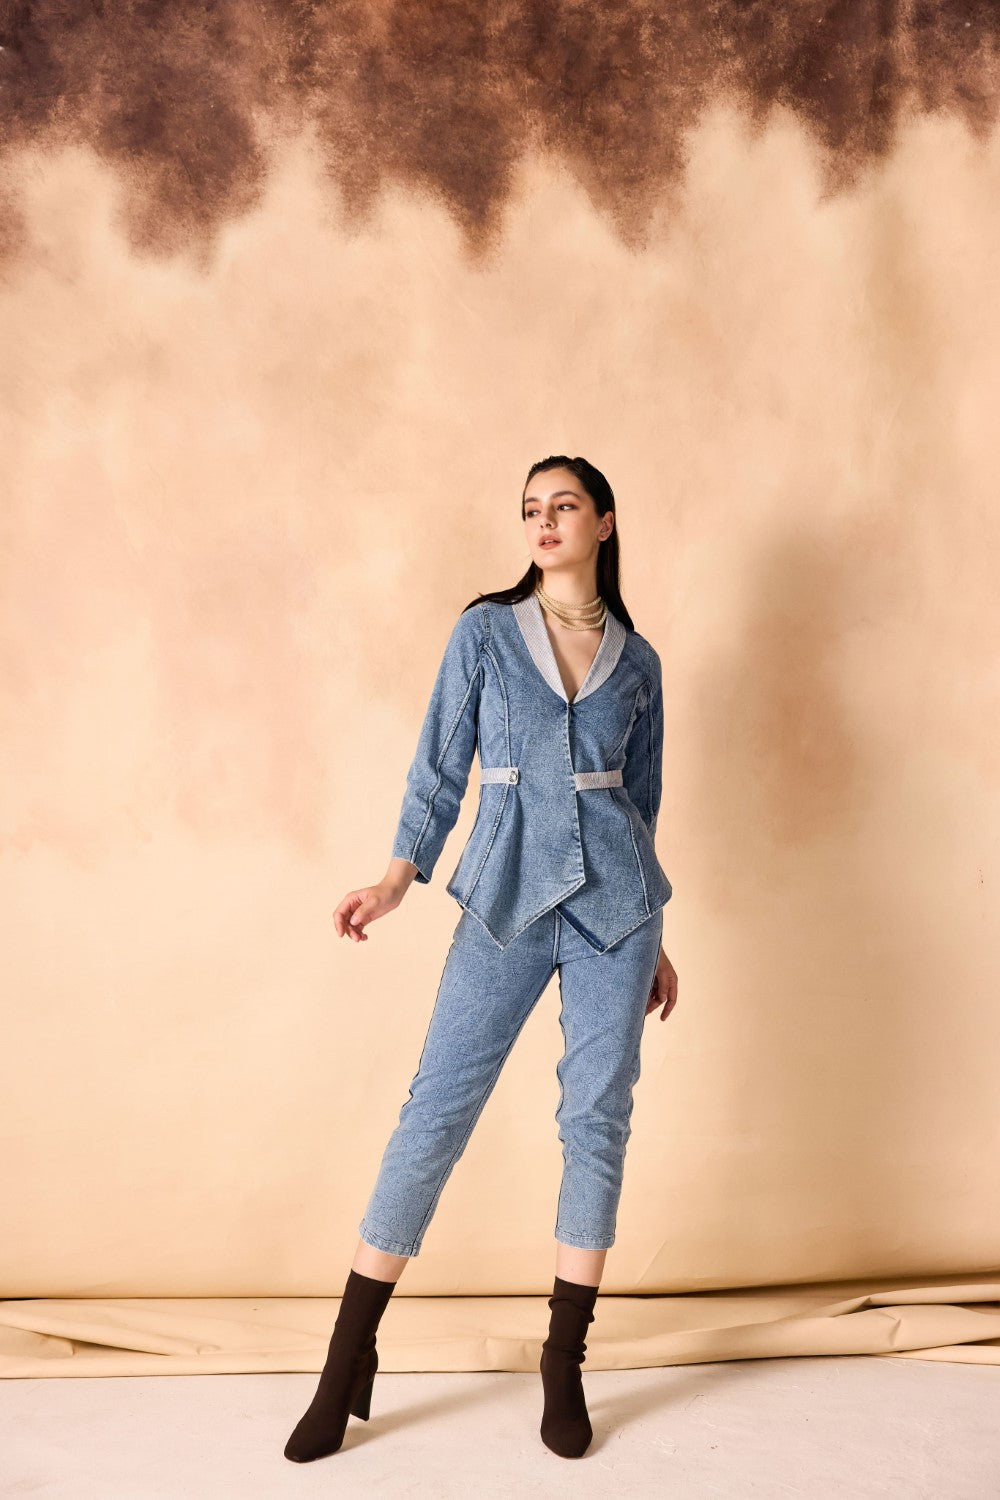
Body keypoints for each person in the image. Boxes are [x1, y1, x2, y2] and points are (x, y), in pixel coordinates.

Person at [284, 454, 679, 1464]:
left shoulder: (638, 662)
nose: (544, 523)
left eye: (563, 506)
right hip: (505, 896)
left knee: (597, 1119)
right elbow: (438, 765)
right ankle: (345, 1361)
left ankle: (563, 1362)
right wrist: (395, 879)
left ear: (603, 521)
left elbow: (641, 802)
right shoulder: (485, 633)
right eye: (531, 510)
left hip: (618, 911)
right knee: (436, 1111)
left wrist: (657, 939)